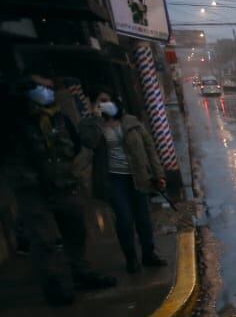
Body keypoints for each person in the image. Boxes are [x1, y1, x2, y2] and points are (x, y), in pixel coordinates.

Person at [5, 76, 115, 304]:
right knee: (44, 239)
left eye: (50, 88)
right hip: (33, 189)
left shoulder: (59, 118)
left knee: (75, 229)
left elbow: (75, 144)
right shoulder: (14, 121)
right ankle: (55, 287)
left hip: (63, 184)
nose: (49, 92)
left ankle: (80, 271)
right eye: (43, 88)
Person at [79, 90, 168, 273]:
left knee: (143, 218)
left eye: (107, 100)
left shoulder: (131, 122)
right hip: (114, 179)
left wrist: (158, 174)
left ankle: (149, 254)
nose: (105, 104)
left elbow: (149, 147)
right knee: (124, 218)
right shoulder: (93, 126)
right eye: (101, 102)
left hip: (138, 175)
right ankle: (131, 258)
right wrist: (96, 119)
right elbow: (90, 142)